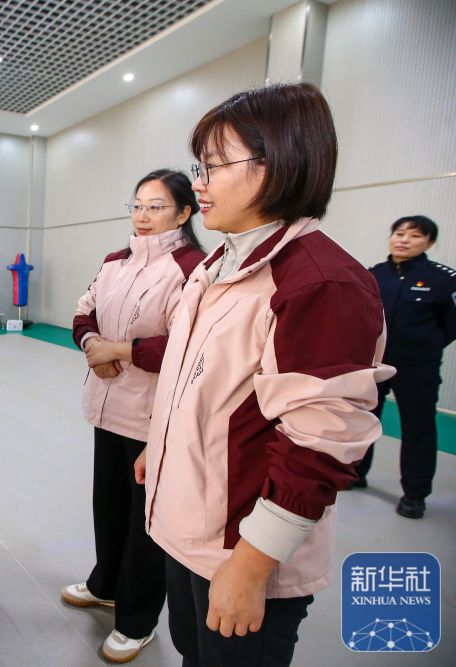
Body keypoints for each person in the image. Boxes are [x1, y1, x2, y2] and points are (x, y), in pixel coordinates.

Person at [134, 83, 394, 667]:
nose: (199, 183)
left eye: (213, 166)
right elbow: (205, 382)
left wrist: (252, 567)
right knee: (192, 652)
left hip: (240, 550)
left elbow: (319, 443)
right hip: (189, 529)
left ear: (278, 163)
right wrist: (163, 444)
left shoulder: (319, 282)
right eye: (198, 167)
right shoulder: (220, 263)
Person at [63, 169, 205, 663]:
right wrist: (91, 345)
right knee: (108, 505)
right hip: (108, 406)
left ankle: (138, 620)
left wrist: (118, 350)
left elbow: (186, 345)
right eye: (137, 205)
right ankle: (105, 584)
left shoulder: (192, 268)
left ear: (184, 213)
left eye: (156, 207)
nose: (143, 216)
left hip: (153, 417)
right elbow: (83, 312)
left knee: (147, 523)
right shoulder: (114, 261)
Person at [353, 216, 456, 518]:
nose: (404, 240)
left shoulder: (443, 279)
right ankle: (355, 474)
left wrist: (427, 345)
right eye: (399, 233)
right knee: (362, 420)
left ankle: (414, 495)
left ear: (429, 242)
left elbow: (451, 325)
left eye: (415, 236)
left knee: (418, 429)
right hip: (373, 363)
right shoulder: (373, 275)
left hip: (418, 367)